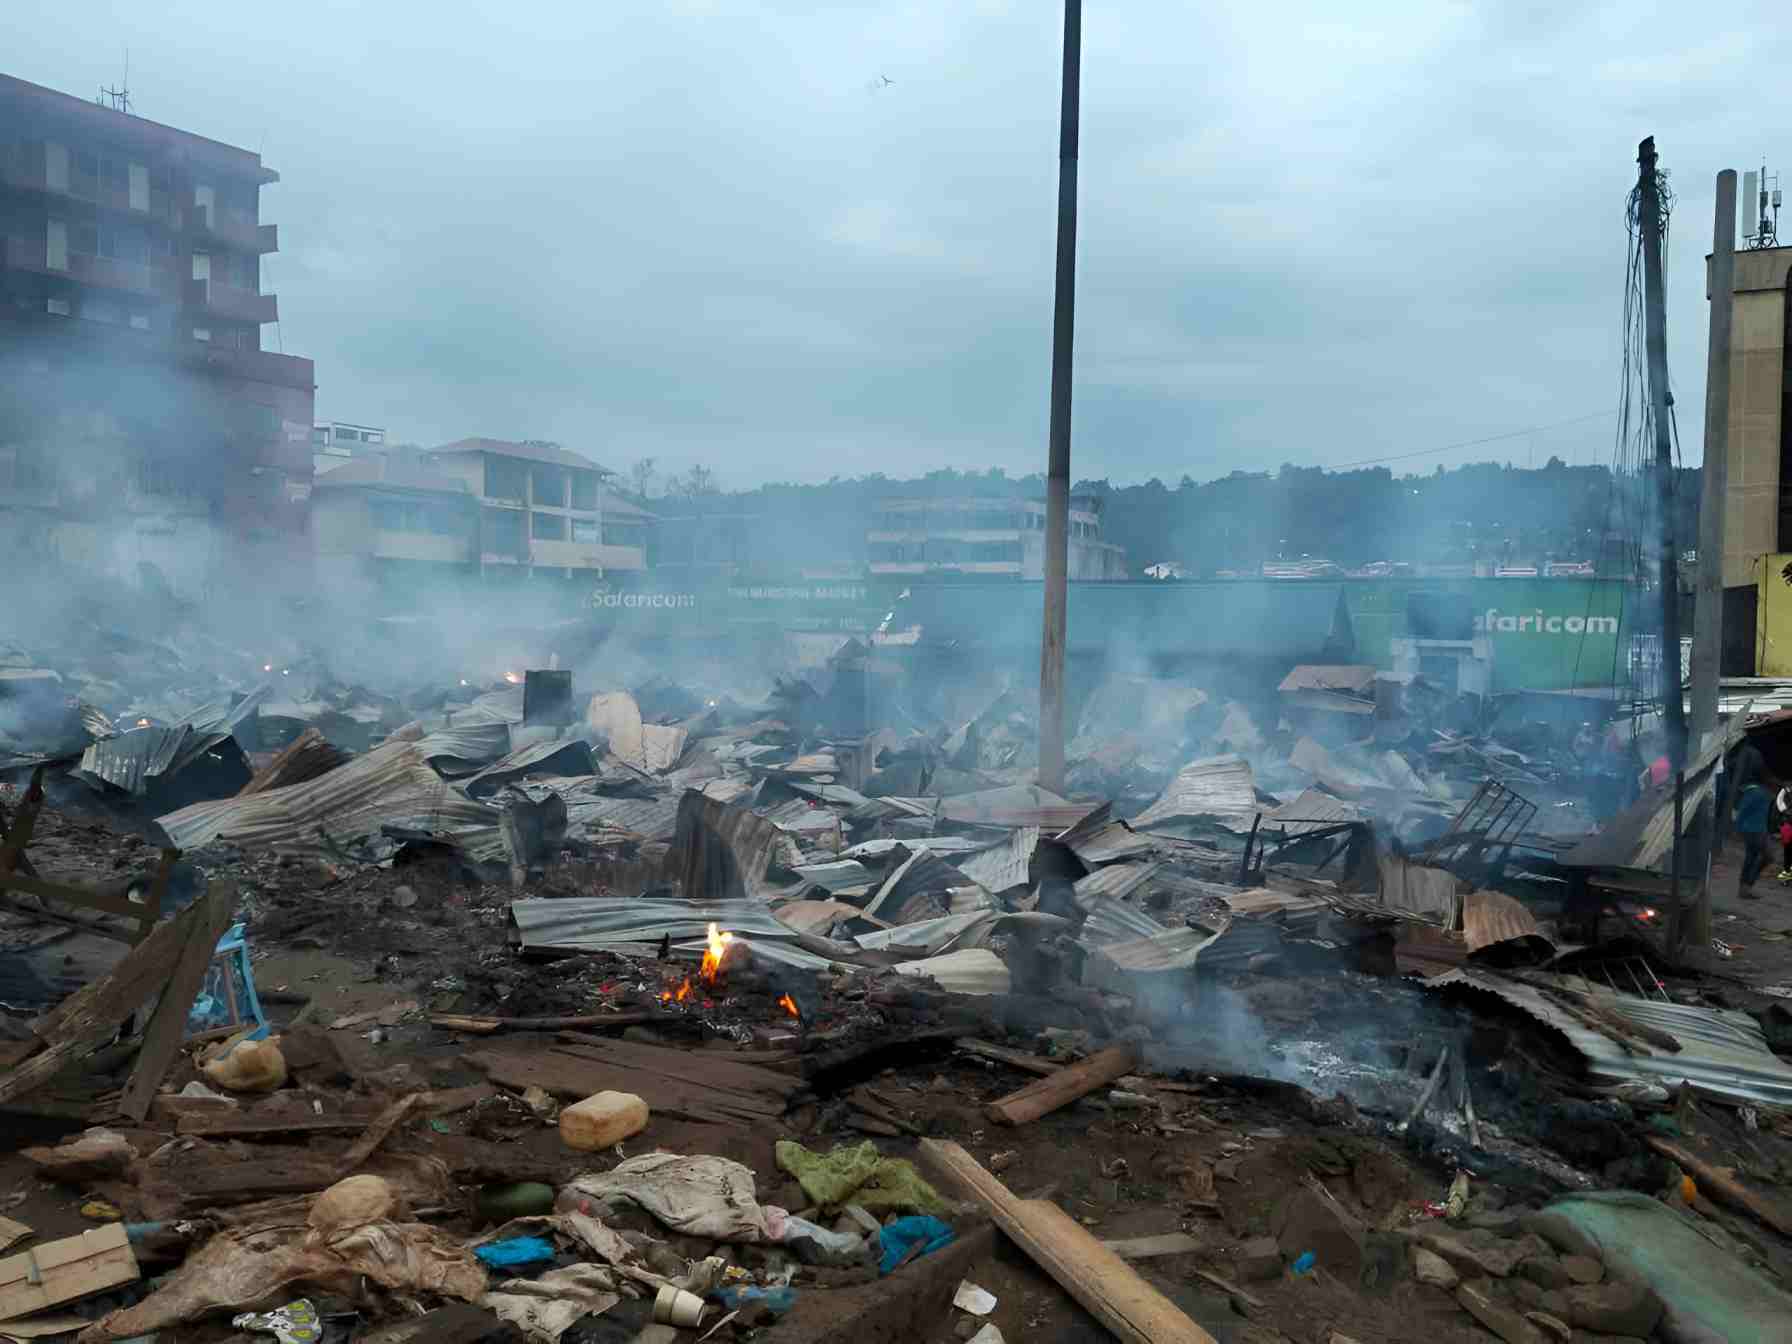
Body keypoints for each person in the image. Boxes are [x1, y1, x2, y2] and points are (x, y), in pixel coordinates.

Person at [1736, 777, 1773, 900]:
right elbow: (1743, 810)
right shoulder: (1757, 792)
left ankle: (1745, 888)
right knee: (1766, 857)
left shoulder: (1762, 793)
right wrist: (1739, 827)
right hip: (1753, 830)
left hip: (1758, 830)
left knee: (1752, 857)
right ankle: (1746, 886)